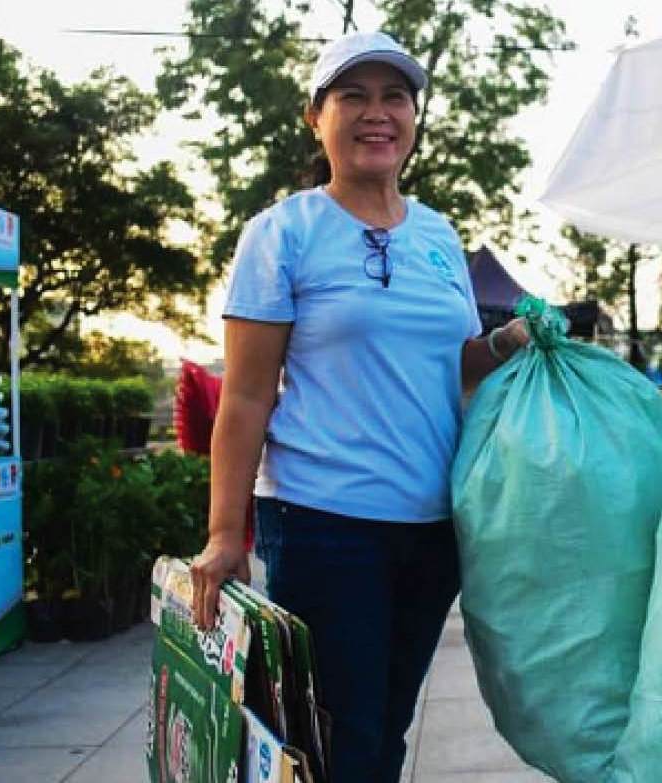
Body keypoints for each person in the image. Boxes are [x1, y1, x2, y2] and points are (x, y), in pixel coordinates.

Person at [187, 30, 530, 783]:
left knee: (386, 729)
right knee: (341, 735)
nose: (377, 113)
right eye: (353, 96)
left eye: (394, 97)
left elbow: (454, 364)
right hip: (323, 522)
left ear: (413, 118)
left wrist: (510, 339)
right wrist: (223, 533)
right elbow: (244, 395)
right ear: (316, 116)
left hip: (432, 526)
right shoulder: (283, 233)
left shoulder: (438, 235)